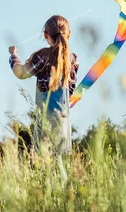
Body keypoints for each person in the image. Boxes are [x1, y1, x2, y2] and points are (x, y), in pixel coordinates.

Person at [8, 15, 79, 156]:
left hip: (45, 124)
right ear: (69, 34)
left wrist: (13, 55)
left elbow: (20, 73)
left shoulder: (42, 57)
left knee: (42, 164)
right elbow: (70, 93)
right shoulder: (72, 61)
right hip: (64, 127)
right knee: (61, 167)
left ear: (46, 35)